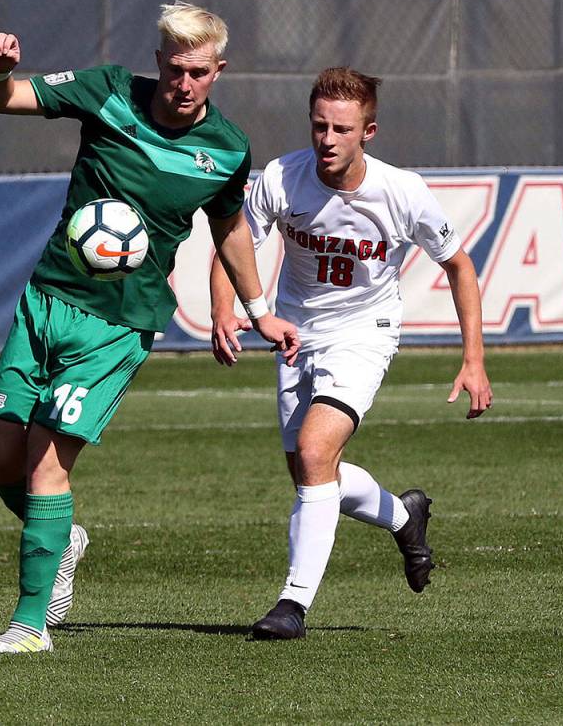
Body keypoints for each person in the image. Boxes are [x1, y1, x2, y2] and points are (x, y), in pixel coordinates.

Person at [0, 1, 299, 654]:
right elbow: (3, 101)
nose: (184, 84)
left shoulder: (226, 150)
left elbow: (230, 226)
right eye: (175, 69)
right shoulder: (109, 91)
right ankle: (61, 536)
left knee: (46, 464)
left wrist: (259, 310)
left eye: (199, 72)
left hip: (118, 326)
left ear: (218, 71)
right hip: (46, 300)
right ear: (158, 63)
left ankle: (29, 627)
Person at [210, 67, 492, 640]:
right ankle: (403, 515)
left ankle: (292, 605)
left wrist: (474, 359)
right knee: (311, 473)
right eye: (319, 126)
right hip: (294, 332)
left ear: (370, 131)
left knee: (315, 452)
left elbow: (459, 266)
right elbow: (231, 243)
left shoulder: (402, 191)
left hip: (365, 331)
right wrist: (224, 308)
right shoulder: (281, 178)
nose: (327, 140)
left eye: (342, 128)